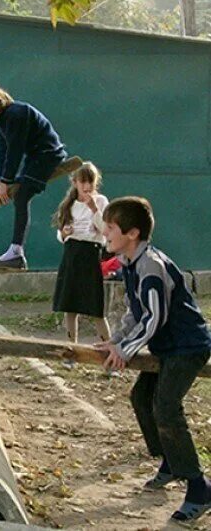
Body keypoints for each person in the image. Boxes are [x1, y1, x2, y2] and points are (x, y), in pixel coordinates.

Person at [96, 196, 211, 525]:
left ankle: (199, 487)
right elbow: (137, 311)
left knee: (165, 406)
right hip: (166, 346)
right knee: (141, 397)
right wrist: (116, 339)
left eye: (111, 229)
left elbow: (155, 317)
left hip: (187, 346)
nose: (105, 234)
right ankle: (171, 463)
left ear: (131, 234)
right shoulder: (131, 262)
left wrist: (125, 349)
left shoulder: (151, 266)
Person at [0, 75, 68, 271]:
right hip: (35, 157)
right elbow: (3, 152)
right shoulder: (1, 120)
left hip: (47, 154)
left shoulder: (15, 114)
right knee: (19, 192)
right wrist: (0, 181)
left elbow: (15, 150)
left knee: (21, 196)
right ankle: (15, 252)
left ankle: (16, 253)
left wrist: (6, 181)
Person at [51, 163, 111, 360]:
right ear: (75, 182)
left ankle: (107, 354)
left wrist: (94, 210)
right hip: (72, 254)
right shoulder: (69, 204)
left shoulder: (100, 201)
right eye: (83, 181)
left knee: (96, 309)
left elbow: (105, 231)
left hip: (91, 253)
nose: (87, 186)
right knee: (70, 306)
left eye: (90, 182)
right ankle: (71, 352)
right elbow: (61, 234)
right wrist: (63, 233)